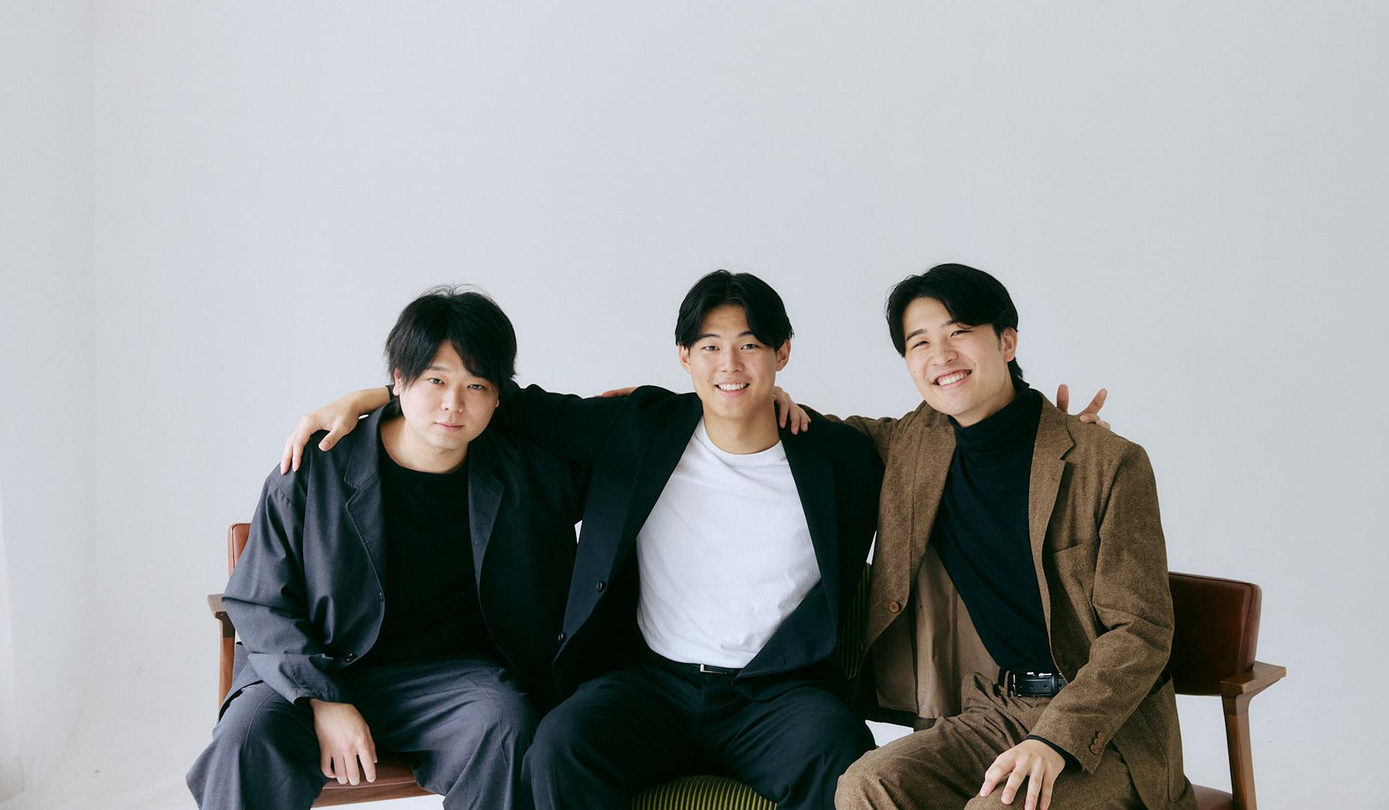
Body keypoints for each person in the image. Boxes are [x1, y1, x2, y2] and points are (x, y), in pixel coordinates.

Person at [284, 271, 883, 810]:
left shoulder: (842, 459)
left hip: (776, 697)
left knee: (845, 759)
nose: (730, 365)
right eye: (710, 347)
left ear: (782, 352)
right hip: (654, 686)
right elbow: (499, 399)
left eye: (749, 346)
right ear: (684, 357)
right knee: (560, 747)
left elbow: (913, 442)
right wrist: (374, 396)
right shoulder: (641, 428)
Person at [801, 263, 1195, 810]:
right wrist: (768, 400)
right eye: (920, 342)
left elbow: (1141, 631)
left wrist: (1054, 739)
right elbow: (816, 435)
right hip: (999, 708)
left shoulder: (1107, 463)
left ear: (1007, 341)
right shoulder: (916, 445)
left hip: (1111, 734)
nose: (941, 355)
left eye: (959, 332)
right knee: (866, 784)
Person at [188, 287, 584, 810]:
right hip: (317, 666)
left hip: (451, 683)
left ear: (497, 396)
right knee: (246, 738)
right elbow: (260, 602)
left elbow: (612, 454)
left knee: (506, 724)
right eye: (435, 381)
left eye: (476, 385)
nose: (453, 404)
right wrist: (324, 699)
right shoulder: (317, 465)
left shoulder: (523, 469)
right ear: (399, 379)